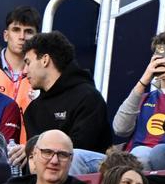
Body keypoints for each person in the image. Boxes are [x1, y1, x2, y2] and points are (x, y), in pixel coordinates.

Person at [111, 29, 165, 170]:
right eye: (161, 57)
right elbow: (120, 129)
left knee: (145, 153)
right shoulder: (143, 97)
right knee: (78, 156)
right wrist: (144, 79)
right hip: (134, 157)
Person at [22, 31, 112, 164]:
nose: (24, 71)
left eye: (28, 63)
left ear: (45, 60)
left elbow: (79, 150)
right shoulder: (33, 110)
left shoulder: (88, 98)